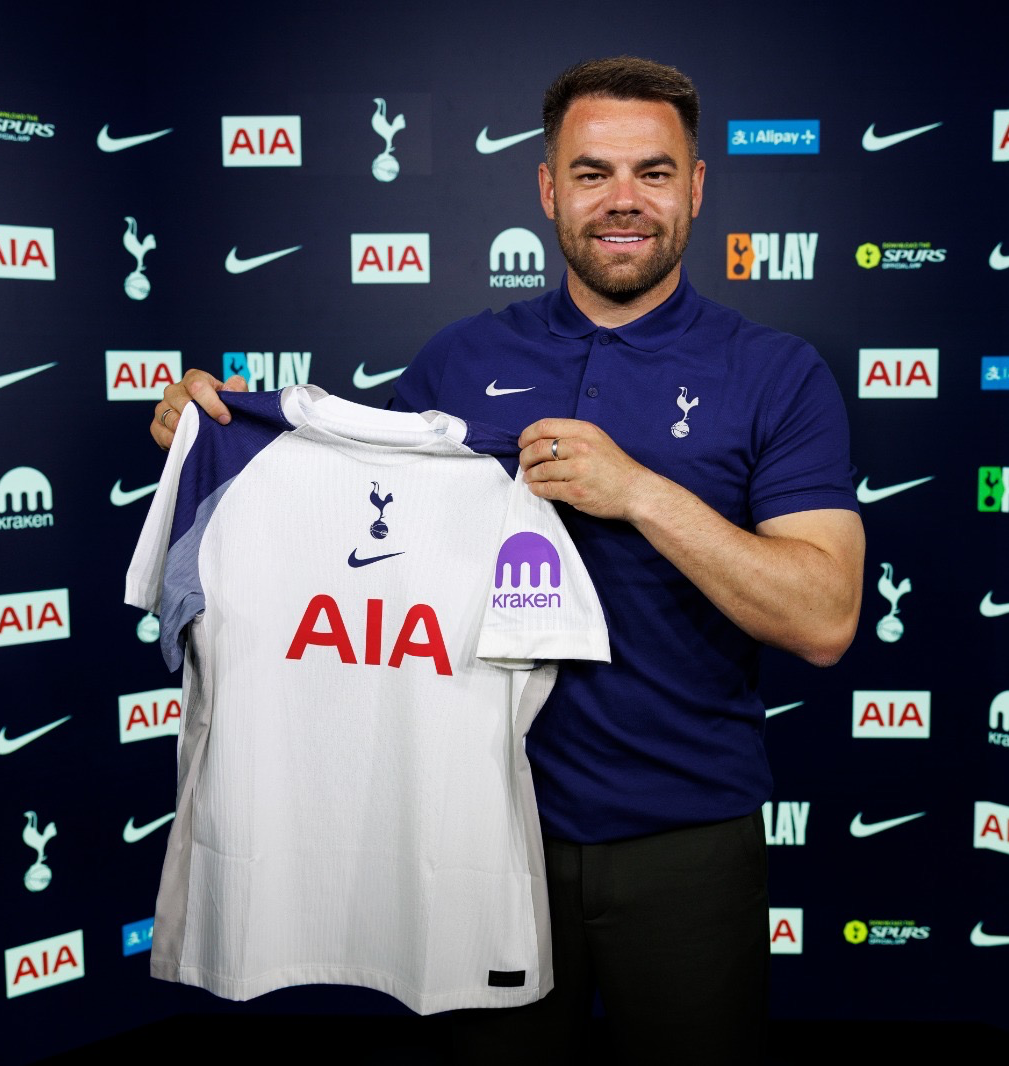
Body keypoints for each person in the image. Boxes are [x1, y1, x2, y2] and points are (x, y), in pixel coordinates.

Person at [151, 56, 864, 1064]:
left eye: (654, 172)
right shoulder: (459, 358)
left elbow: (825, 616)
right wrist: (217, 438)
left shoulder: (777, 373)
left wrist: (640, 492)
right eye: (592, 172)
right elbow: (352, 522)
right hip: (475, 832)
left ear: (697, 187)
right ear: (546, 187)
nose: (623, 200)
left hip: (687, 836)